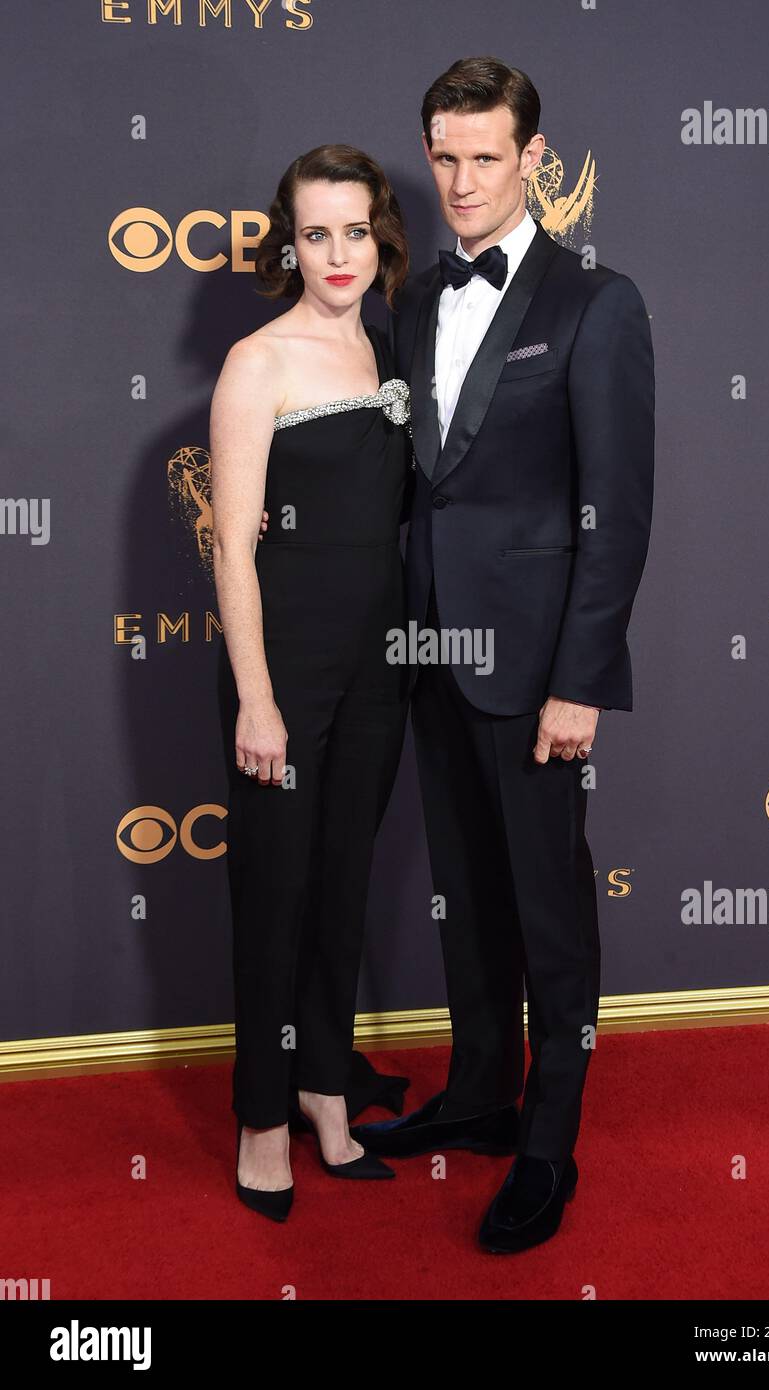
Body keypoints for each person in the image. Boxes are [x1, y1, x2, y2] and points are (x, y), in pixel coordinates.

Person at [348, 57, 655, 1254]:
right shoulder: (413, 297)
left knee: (547, 909)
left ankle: (547, 1140)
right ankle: (479, 1094)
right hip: (430, 647)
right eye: (445, 155)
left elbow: (617, 510)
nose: (463, 180)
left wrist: (581, 677)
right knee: (467, 896)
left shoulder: (598, 302)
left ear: (533, 158)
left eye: (487, 156)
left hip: (536, 671)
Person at [211, 145, 413, 1222]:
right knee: (275, 900)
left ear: (379, 234)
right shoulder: (260, 360)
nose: (337, 253)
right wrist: (256, 698)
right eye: (315, 233)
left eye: (355, 230)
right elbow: (233, 547)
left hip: (378, 673)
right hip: (283, 673)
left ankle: (325, 1090)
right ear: (286, 241)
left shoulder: (381, 347)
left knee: (342, 892)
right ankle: (258, 1121)